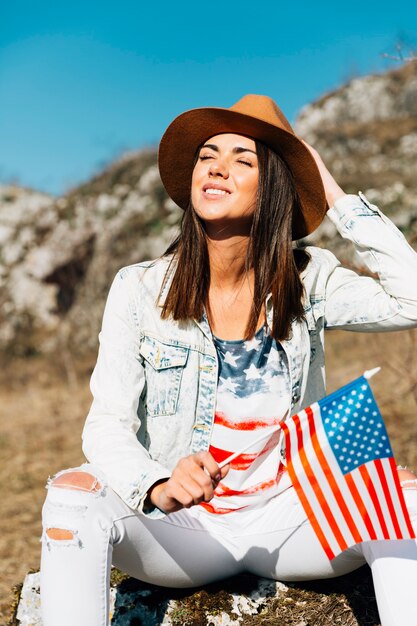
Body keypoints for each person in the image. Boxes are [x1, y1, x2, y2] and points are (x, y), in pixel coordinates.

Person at [40, 95, 417, 626]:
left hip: (289, 518)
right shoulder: (140, 287)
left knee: (406, 500)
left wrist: (328, 190)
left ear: (276, 189)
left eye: (245, 159)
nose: (216, 166)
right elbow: (105, 424)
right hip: (185, 532)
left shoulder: (311, 279)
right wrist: (156, 484)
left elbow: (413, 298)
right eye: (207, 155)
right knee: (72, 496)